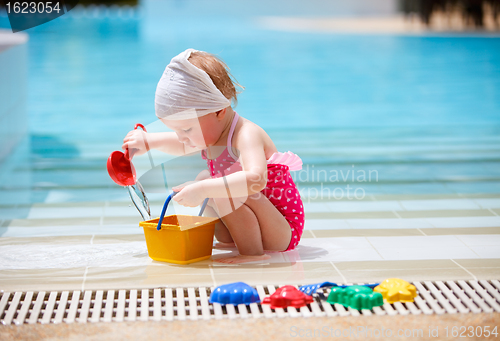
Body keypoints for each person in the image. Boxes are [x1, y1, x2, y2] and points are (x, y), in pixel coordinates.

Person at [122, 49, 304, 264]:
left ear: (219, 111)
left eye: (187, 130)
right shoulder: (211, 134)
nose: (182, 138)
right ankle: (232, 240)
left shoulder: (246, 134)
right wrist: (149, 141)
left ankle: (253, 254)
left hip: (281, 231)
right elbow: (180, 144)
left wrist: (204, 189)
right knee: (204, 179)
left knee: (212, 185)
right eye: (178, 131)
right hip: (259, 223)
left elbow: (256, 179)